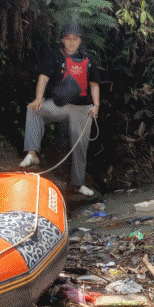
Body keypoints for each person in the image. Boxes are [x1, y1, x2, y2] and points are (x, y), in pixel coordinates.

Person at [19, 22, 100, 196]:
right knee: (33, 110)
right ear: (63, 40)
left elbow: (94, 85)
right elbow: (43, 77)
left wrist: (96, 106)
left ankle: (78, 184)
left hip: (82, 108)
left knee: (80, 146)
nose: (71, 42)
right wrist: (39, 98)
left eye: (75, 39)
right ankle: (32, 153)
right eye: (68, 38)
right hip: (60, 105)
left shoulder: (89, 59)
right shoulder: (54, 56)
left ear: (80, 41)